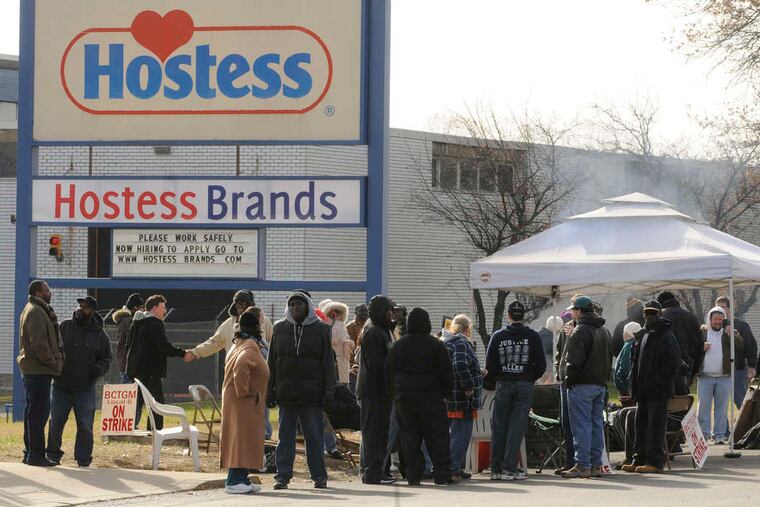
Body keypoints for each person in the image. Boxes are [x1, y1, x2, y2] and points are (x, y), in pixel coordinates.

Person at [267, 291, 335, 490]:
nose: (295, 307)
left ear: (308, 306)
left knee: (314, 438)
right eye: (292, 304)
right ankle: (283, 476)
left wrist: (329, 390)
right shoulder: (279, 328)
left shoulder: (321, 329)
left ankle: (319, 476)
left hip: (312, 395)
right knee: (285, 438)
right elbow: (271, 362)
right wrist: (269, 391)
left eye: (299, 304)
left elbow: (327, 363)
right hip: (286, 393)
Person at [386, 308, 454, 486]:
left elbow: (389, 371)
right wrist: (446, 393)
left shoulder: (398, 345)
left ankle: (413, 474)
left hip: (405, 397)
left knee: (409, 437)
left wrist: (395, 392)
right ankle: (442, 474)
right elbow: (446, 372)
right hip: (431, 397)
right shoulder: (436, 345)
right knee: (437, 436)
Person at [47, 296, 112, 467]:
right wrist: (55, 368)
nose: (81, 309)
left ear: (92, 311)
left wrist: (97, 370)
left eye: (86, 307)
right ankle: (53, 455)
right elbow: (53, 348)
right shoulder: (64, 326)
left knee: (85, 426)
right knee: (56, 422)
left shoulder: (99, 333)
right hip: (61, 385)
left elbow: (106, 358)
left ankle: (83, 458)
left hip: (85, 387)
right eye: (80, 305)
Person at [485, 300, 546, 481]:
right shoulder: (533, 336)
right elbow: (541, 364)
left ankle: (495, 468)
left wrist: (498, 377)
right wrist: (529, 376)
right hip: (524, 384)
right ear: (524, 315)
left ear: (508, 315)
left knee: (500, 425)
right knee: (516, 427)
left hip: (504, 383)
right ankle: (510, 468)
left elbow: (490, 365)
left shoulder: (498, 336)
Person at [622, 300, 681, 474]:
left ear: (659, 314)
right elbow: (635, 363)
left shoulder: (667, 336)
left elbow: (672, 364)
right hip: (642, 392)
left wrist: (656, 383)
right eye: (646, 313)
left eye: (653, 313)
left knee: (655, 429)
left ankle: (655, 462)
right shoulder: (643, 335)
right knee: (640, 427)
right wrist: (634, 384)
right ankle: (638, 459)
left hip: (657, 392)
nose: (649, 316)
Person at [561, 295, 611, 479]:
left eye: (573, 310)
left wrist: (569, 380)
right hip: (600, 385)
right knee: (596, 424)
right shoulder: (604, 330)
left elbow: (573, 361)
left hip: (581, 384)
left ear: (579, 311)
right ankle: (596, 464)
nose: (571, 313)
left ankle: (582, 464)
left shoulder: (580, 330)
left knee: (581, 425)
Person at [220, 310, 270, 495]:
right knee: (242, 440)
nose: (263, 323)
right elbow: (241, 367)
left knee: (241, 439)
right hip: (244, 401)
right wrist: (246, 391)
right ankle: (234, 481)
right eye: (261, 321)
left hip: (239, 401)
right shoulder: (249, 346)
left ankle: (241, 478)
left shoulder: (240, 342)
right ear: (256, 325)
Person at [17, 280, 64, 467]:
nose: (50, 293)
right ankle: (35, 454)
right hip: (38, 370)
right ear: (38, 292)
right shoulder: (36, 311)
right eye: (47, 290)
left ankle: (30, 452)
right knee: (38, 413)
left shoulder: (33, 308)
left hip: (34, 369)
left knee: (32, 412)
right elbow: (38, 344)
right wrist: (53, 363)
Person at [126, 295, 187, 431]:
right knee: (157, 403)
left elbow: (128, 345)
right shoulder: (154, 323)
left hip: (135, 370)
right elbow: (163, 346)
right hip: (150, 370)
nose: (165, 311)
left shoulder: (136, 323)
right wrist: (182, 353)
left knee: (137, 402)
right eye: (163, 307)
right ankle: (155, 431)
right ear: (154, 308)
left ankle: (127, 429)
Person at [357, 295, 397, 485]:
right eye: (389, 310)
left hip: (380, 391)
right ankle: (373, 473)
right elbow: (377, 365)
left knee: (380, 432)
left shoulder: (382, 330)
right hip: (375, 391)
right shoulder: (374, 332)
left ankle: (378, 470)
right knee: (374, 432)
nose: (392, 313)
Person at [695, 306, 744, 444]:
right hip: (705, 376)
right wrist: (701, 347)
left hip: (724, 377)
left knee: (721, 408)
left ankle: (719, 435)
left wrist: (732, 334)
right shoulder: (702, 332)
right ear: (710, 319)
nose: (718, 322)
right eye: (715, 319)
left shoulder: (729, 331)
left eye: (720, 319)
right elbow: (693, 347)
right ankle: (704, 434)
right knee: (703, 406)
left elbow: (740, 346)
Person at [442, 314, 483, 480]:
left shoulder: (448, 342)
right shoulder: (461, 342)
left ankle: (450, 465)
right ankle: (454, 466)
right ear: (467, 329)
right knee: (461, 434)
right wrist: (469, 386)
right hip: (462, 398)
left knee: (451, 434)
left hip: (450, 396)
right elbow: (459, 364)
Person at [185, 290, 273, 363]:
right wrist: (195, 352)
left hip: (258, 370)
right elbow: (214, 342)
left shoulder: (264, 322)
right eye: (237, 302)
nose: (239, 305)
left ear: (250, 304)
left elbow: (272, 344)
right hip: (235, 368)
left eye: (243, 302)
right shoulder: (228, 325)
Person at [715, 296, 757, 408]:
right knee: (720, 405)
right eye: (718, 307)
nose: (720, 310)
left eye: (723, 307)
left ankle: (749, 425)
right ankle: (724, 427)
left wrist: (752, 365)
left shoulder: (741, 325)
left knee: (742, 402)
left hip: (737, 369)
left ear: (729, 308)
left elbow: (751, 345)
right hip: (718, 371)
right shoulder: (713, 327)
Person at [657, 291, 701, 385]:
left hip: (664, 368)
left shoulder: (660, 317)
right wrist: (693, 371)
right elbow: (699, 347)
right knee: (683, 398)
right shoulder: (692, 317)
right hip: (687, 366)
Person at [553, 304, 578, 474]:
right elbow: (559, 354)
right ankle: (570, 461)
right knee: (567, 423)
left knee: (576, 423)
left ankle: (578, 461)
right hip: (564, 380)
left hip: (576, 381)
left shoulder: (582, 331)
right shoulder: (565, 330)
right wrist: (558, 372)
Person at [321, 300, 355, 386]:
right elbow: (332, 340)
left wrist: (349, 343)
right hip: (336, 366)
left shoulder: (339, 326)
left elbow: (346, 340)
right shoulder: (335, 326)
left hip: (341, 364)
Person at [113, 293, 144, 383]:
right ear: (135, 308)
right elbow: (124, 342)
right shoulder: (126, 321)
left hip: (131, 365)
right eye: (141, 307)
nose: (143, 310)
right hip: (128, 366)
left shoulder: (130, 320)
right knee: (128, 394)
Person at [614, 321, 641, 397]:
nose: (623, 334)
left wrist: (620, 379)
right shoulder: (638, 343)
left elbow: (625, 366)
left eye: (624, 332)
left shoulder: (629, 345)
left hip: (626, 387)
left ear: (628, 333)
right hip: (633, 385)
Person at [538, 316, 563, 383]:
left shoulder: (538, 334)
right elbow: (553, 354)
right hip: (547, 368)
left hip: (536, 367)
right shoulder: (552, 338)